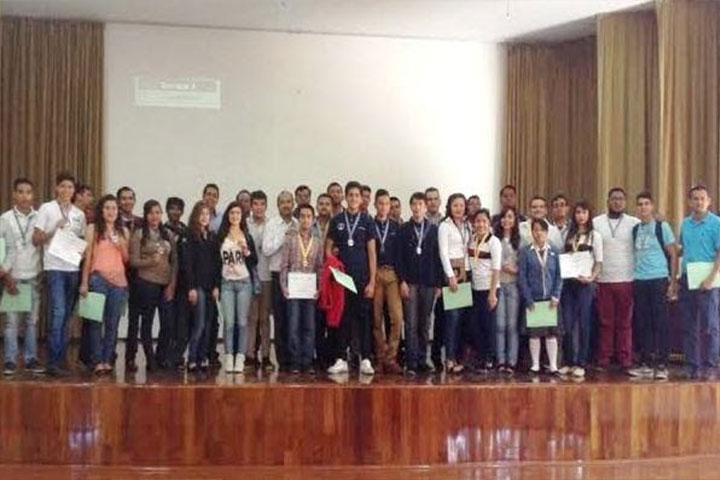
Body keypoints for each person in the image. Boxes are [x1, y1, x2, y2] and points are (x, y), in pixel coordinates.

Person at [33, 171, 87, 376]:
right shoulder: (46, 208)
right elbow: (36, 239)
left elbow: (81, 241)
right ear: (56, 187)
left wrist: (81, 251)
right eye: (63, 186)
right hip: (54, 268)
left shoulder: (79, 214)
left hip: (73, 268)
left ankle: (61, 359)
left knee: (67, 317)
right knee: (58, 312)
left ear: (74, 191)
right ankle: (52, 362)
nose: (66, 190)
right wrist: (54, 231)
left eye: (70, 187)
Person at [326, 181, 377, 375]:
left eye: (357, 195)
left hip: (362, 277)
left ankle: (365, 359)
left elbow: (372, 253)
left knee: (364, 319)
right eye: (351, 195)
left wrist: (372, 281)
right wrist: (333, 268)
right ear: (346, 197)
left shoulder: (367, 221)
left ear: (361, 198)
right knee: (342, 318)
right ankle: (341, 359)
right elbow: (328, 248)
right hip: (342, 279)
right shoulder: (337, 220)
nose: (354, 198)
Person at [629, 192, 677, 380]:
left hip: (658, 279)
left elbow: (673, 254)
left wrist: (673, 282)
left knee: (661, 322)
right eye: (640, 204)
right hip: (640, 280)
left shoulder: (661, 226)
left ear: (652, 206)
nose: (643, 207)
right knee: (643, 323)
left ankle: (663, 364)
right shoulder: (635, 230)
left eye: (646, 203)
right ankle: (646, 363)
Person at [79, 195, 130, 374]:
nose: (111, 211)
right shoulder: (93, 228)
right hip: (98, 278)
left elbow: (126, 259)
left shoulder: (123, 231)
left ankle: (107, 360)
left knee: (112, 323)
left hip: (118, 282)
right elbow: (87, 258)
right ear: (101, 210)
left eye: (114, 208)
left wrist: (120, 244)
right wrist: (84, 282)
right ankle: (97, 360)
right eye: (107, 208)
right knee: (95, 322)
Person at [593, 188, 640, 373]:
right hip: (603, 279)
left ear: (625, 202)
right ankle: (604, 358)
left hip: (626, 278)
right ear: (607, 201)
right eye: (614, 199)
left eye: (620, 199)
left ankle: (625, 358)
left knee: (625, 322)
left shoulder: (634, 223)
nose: (617, 202)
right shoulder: (596, 222)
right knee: (605, 322)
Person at [129, 200, 178, 372]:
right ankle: (150, 360)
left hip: (165, 284)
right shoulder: (139, 234)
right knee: (147, 322)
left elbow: (175, 261)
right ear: (146, 215)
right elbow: (133, 261)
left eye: (157, 212)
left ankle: (160, 356)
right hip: (146, 283)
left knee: (168, 323)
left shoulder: (168, 234)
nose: (154, 216)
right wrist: (151, 261)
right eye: (151, 213)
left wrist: (172, 284)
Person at [1, 178, 43, 375]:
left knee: (31, 322)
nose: (25, 196)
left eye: (28, 192)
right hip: (12, 277)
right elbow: (1, 249)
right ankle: (10, 361)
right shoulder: (5, 219)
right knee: (11, 323)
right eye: (20, 191)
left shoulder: (40, 218)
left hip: (34, 276)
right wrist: (6, 276)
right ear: (14, 194)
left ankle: (31, 359)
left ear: (33, 195)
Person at [397, 192, 442, 375]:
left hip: (429, 283)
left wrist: (439, 284)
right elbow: (399, 258)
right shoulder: (403, 230)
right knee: (410, 323)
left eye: (420, 204)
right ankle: (411, 362)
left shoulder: (434, 230)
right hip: (410, 283)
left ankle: (423, 360)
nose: (417, 208)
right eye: (414, 204)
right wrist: (402, 281)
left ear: (425, 207)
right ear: (411, 207)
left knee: (425, 323)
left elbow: (438, 257)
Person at [679, 185, 720, 379]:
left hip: (709, 279)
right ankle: (692, 365)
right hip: (688, 277)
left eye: (702, 198)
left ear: (709, 201)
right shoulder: (685, 224)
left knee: (710, 324)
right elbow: (683, 250)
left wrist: (711, 278)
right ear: (689, 202)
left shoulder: (716, 223)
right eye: (695, 198)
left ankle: (711, 364)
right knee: (689, 324)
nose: (699, 202)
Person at [559, 201, 603, 378]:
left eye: (584, 212)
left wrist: (591, 278)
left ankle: (581, 362)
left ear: (589, 215)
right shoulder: (568, 235)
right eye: (578, 212)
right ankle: (569, 361)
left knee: (584, 322)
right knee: (568, 323)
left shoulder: (595, 236)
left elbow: (599, 262)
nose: (581, 216)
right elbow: (564, 257)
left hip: (586, 284)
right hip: (569, 283)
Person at [280, 204, 324, 373]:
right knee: (293, 325)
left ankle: (307, 361)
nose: (305, 219)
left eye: (308, 216)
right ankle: (295, 361)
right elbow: (284, 265)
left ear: (313, 219)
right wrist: (284, 286)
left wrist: (319, 288)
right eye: (303, 216)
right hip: (293, 289)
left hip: (310, 290)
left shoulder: (317, 242)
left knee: (309, 326)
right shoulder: (290, 239)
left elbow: (320, 267)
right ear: (298, 219)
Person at [217, 201, 258, 373]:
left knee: (242, 322)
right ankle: (229, 356)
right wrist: (216, 285)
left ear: (242, 216)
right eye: (232, 213)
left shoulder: (246, 235)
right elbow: (215, 262)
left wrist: (247, 252)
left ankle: (240, 357)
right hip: (226, 283)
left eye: (238, 213)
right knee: (228, 322)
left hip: (243, 283)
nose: (235, 216)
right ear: (228, 215)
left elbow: (254, 260)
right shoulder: (221, 236)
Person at [518, 218, 563, 375]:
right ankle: (535, 365)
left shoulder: (555, 251)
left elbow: (560, 276)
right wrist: (528, 298)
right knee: (534, 333)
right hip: (534, 299)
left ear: (547, 232)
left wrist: (556, 295)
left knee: (551, 333)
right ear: (531, 232)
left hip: (551, 299)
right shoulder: (525, 252)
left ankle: (553, 366)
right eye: (535, 230)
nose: (538, 233)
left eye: (541, 230)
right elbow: (522, 277)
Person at [263, 191, 298, 371]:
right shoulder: (272, 224)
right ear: (278, 205)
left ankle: (294, 357)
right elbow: (266, 250)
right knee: (280, 318)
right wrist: (284, 237)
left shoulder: (298, 223)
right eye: (282, 202)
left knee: (294, 318)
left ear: (293, 204)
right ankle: (283, 360)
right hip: (278, 275)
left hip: (296, 276)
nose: (286, 205)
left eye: (289, 202)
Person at [185, 201, 221, 372]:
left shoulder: (212, 237)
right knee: (198, 323)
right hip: (197, 286)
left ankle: (203, 356)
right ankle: (192, 357)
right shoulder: (190, 236)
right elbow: (188, 264)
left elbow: (217, 264)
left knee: (208, 323)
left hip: (210, 286)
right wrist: (191, 287)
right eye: (202, 214)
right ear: (196, 216)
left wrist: (217, 286)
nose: (205, 217)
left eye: (207, 214)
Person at [371, 189, 404, 374]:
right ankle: (380, 357)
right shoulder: (369, 224)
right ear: (375, 205)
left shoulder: (397, 227)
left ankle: (391, 358)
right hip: (375, 273)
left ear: (390, 206)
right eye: (380, 203)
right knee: (376, 319)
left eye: (386, 204)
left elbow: (401, 255)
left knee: (397, 318)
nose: (383, 207)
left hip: (392, 275)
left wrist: (402, 279)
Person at [438, 193, 472, 373]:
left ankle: (459, 357)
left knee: (463, 319)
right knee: (452, 317)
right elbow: (443, 252)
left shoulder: (467, 225)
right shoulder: (445, 226)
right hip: (453, 272)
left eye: (461, 205)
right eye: (455, 205)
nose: (459, 208)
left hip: (466, 272)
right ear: (449, 207)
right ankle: (449, 358)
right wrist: (450, 275)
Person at [467, 209, 500, 370]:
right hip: (475, 288)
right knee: (475, 325)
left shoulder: (494, 242)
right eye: (478, 221)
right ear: (474, 224)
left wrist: (493, 293)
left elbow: (496, 269)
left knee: (489, 325)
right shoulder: (472, 240)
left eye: (484, 221)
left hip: (489, 288)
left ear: (489, 223)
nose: (480, 224)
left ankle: (490, 358)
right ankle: (480, 356)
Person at [116, 186, 143, 372]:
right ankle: (108, 354)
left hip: (137, 276)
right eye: (124, 198)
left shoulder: (141, 222)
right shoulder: (112, 220)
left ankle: (130, 357)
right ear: (118, 201)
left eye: (130, 198)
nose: (127, 201)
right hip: (117, 273)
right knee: (113, 317)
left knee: (134, 318)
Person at [161, 197, 190, 369]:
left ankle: (178, 357)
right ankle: (163, 356)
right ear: (167, 211)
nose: (175, 212)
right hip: (166, 281)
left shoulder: (187, 231)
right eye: (172, 208)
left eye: (178, 209)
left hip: (184, 283)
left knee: (182, 322)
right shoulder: (162, 231)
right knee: (168, 322)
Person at [247, 190, 273, 370]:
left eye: (262, 204)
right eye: (255, 204)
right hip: (248, 277)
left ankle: (266, 355)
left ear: (266, 206)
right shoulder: (244, 224)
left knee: (264, 318)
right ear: (251, 206)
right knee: (251, 318)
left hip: (266, 276)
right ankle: (249, 355)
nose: (258, 207)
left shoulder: (271, 224)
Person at [495, 207, 521, 373]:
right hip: (498, 285)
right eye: (504, 217)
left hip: (513, 285)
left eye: (510, 217)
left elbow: (525, 264)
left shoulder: (520, 240)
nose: (507, 220)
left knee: (512, 325)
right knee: (500, 325)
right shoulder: (494, 239)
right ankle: (500, 360)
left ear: (515, 220)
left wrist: (515, 270)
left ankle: (512, 361)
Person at [203, 183, 223, 367]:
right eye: (208, 194)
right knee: (199, 320)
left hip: (217, 273)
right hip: (200, 276)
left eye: (214, 195)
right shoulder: (197, 217)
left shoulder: (221, 219)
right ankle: (198, 354)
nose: (211, 197)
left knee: (213, 319)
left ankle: (211, 352)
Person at [312, 192, 333, 368]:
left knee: (331, 317)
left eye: (327, 204)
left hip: (332, 276)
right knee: (317, 318)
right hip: (313, 276)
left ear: (331, 207)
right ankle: (318, 355)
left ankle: (331, 355)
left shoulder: (338, 224)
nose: (324, 206)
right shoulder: (309, 224)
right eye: (321, 204)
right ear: (317, 206)